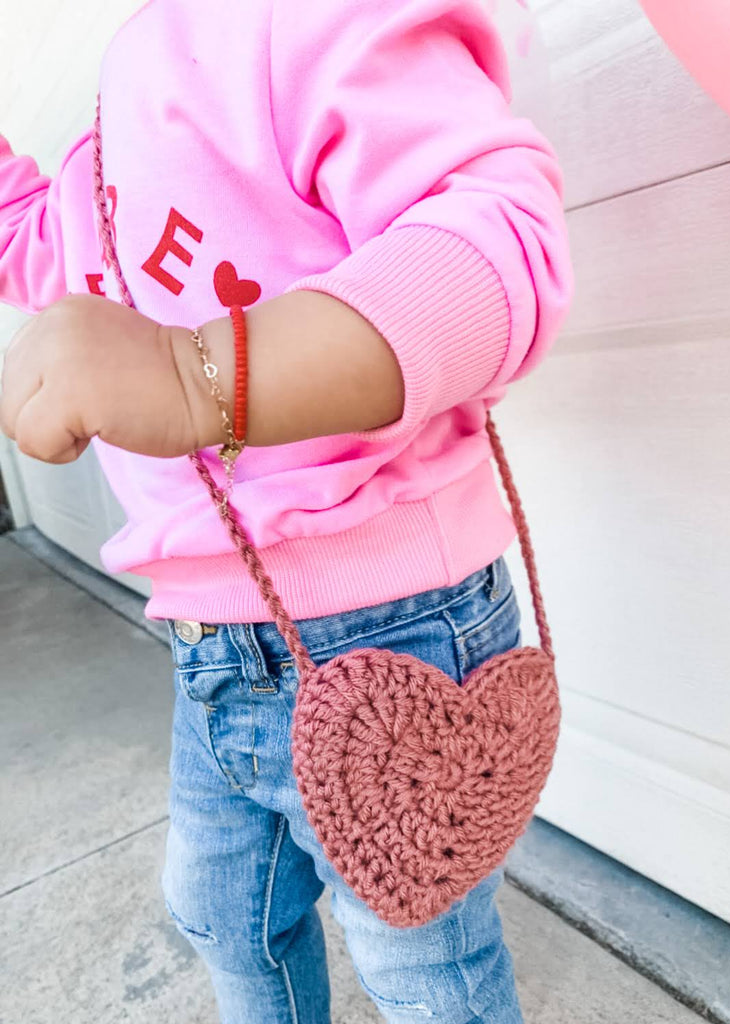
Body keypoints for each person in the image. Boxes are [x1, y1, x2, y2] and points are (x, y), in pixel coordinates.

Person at [0, 1, 573, 1021]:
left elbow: (498, 243)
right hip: (208, 638)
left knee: (424, 963)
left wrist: (197, 374)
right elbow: (52, 247)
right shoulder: (119, 102)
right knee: (223, 912)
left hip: (385, 620)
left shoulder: (311, 16)